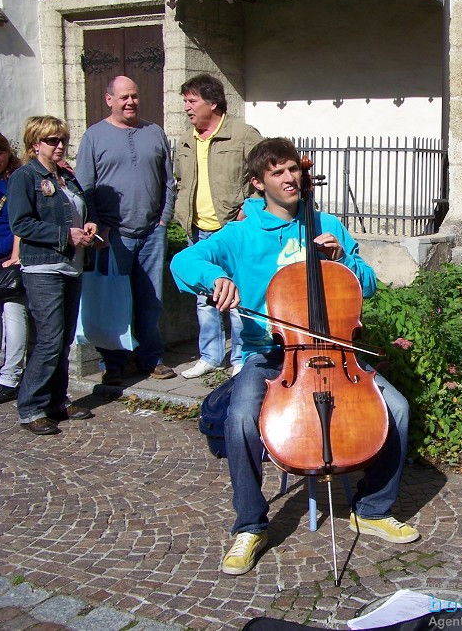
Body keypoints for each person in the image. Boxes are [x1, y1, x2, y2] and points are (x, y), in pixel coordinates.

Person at [170, 137, 419, 576]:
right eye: (278, 172)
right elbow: (183, 262)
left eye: (294, 170)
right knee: (242, 417)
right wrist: (213, 279)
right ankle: (250, 524)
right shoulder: (241, 233)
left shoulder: (327, 225)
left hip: (335, 353)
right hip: (267, 356)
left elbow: (368, 284)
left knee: (395, 409)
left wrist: (345, 261)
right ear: (258, 183)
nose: (290, 178)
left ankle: (372, 508)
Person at [75, 76, 177, 385]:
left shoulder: (154, 132)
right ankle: (114, 362)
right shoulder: (94, 137)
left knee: (151, 300)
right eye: (123, 97)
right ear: (109, 100)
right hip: (112, 234)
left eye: (134, 96)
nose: (130, 101)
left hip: (151, 232)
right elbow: (84, 188)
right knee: (115, 300)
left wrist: (163, 219)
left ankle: (151, 357)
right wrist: (96, 224)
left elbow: (169, 181)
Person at [8, 116, 97, 435]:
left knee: (63, 338)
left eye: (62, 140)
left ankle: (57, 400)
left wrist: (89, 226)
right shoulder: (25, 177)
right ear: (34, 144)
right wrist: (64, 235)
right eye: (51, 140)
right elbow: (21, 223)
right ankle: (31, 406)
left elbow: (81, 209)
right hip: (43, 267)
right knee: (48, 338)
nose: (60, 145)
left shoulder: (67, 177)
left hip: (71, 265)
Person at [175, 73, 262, 379]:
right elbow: (181, 181)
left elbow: (264, 174)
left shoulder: (242, 135)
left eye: (192, 101)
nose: (187, 107)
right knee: (205, 297)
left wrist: (247, 210)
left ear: (213, 103)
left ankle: (241, 356)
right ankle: (210, 355)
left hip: (232, 230)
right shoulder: (186, 139)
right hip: (198, 230)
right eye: (185, 101)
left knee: (238, 297)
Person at [0, 131, 28, 405]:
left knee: (14, 317)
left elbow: (19, 224)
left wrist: (14, 254)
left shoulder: (14, 183)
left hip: (9, 260)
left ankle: (11, 376)